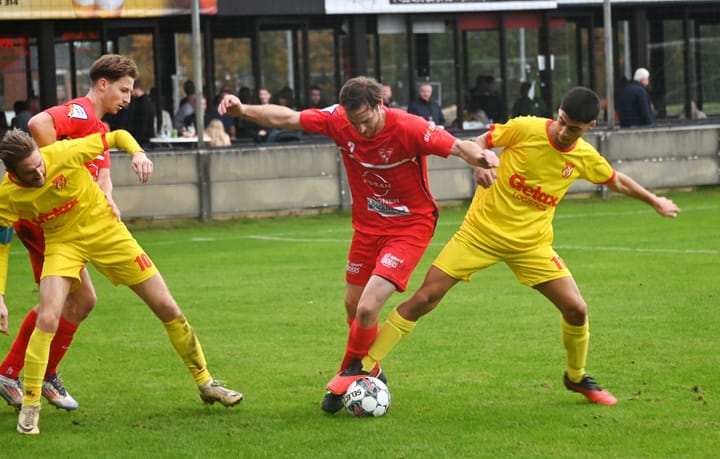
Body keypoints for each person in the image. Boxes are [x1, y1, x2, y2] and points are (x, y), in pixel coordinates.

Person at [330, 86, 681, 408]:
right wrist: (478, 166)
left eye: (573, 128)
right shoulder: (526, 128)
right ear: (557, 112)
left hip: (531, 246)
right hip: (478, 234)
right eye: (561, 121)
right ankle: (362, 366)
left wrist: (654, 201)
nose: (563, 131)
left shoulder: (584, 158)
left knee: (576, 309)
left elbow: (615, 180)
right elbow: (479, 141)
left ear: (590, 126)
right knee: (424, 299)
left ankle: (576, 378)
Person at [217, 75, 499, 414]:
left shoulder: (408, 126)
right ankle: (371, 367)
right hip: (366, 228)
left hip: (410, 226)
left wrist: (480, 159)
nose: (361, 130)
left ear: (380, 106)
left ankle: (349, 373)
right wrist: (243, 109)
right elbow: (287, 117)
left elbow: (456, 145)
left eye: (366, 121)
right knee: (352, 307)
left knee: (368, 308)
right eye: (354, 123)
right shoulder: (339, 120)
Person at [0, 128, 243, 435]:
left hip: (109, 233)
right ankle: (30, 405)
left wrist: (137, 153)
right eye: (29, 172)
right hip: (63, 243)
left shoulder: (62, 153)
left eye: (39, 164)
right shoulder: (7, 196)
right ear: (12, 173)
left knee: (167, 307)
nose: (39, 173)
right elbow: (1, 245)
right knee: (48, 316)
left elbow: (117, 136)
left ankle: (206, 383)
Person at [0, 54, 138, 412]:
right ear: (103, 85)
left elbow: (102, 172)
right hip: (45, 220)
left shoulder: (101, 129)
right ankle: (19, 372)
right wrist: (49, 176)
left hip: (70, 219)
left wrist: (106, 197)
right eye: (124, 89)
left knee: (81, 301)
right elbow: (38, 122)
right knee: (67, 302)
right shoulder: (80, 112)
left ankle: (39, 372)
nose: (128, 97)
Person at [126, 79, 156, 147]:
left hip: (142, 142)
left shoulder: (143, 104)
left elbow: (142, 125)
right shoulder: (145, 102)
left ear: (136, 89)